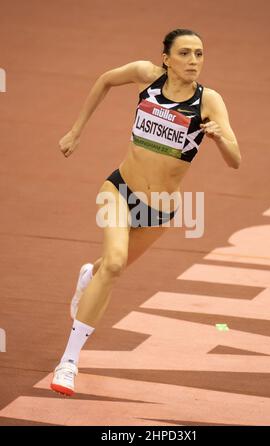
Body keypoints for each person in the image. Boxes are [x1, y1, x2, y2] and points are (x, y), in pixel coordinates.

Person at [50, 28, 241, 396]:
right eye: (185, 54)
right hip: (120, 189)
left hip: (162, 211)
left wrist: (219, 139)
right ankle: (68, 362)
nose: (194, 62)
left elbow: (236, 160)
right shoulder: (146, 76)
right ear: (166, 58)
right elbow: (106, 80)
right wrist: (76, 131)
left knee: (106, 268)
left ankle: (88, 274)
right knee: (116, 264)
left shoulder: (209, 102)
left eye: (199, 54)